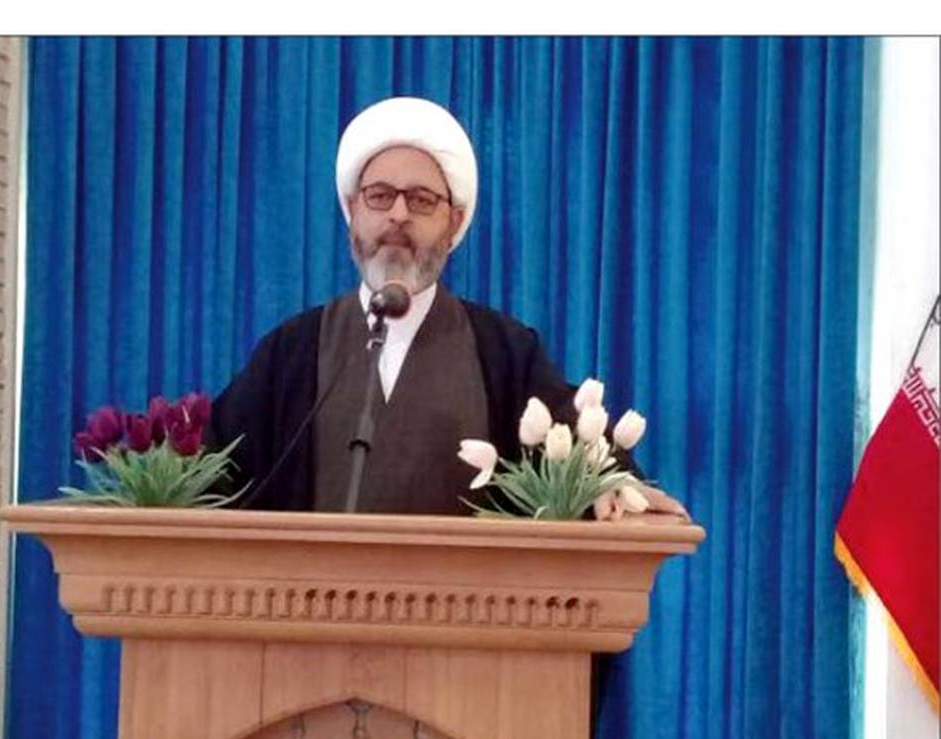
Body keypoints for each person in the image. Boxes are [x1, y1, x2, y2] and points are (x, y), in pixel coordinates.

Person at [208, 96, 686, 519]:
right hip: (312, 597)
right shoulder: (291, 351)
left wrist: (610, 481)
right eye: (380, 196)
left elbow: (571, 445)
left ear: (453, 223)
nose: (398, 215)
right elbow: (213, 474)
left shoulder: (503, 352)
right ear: (352, 210)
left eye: (421, 200)